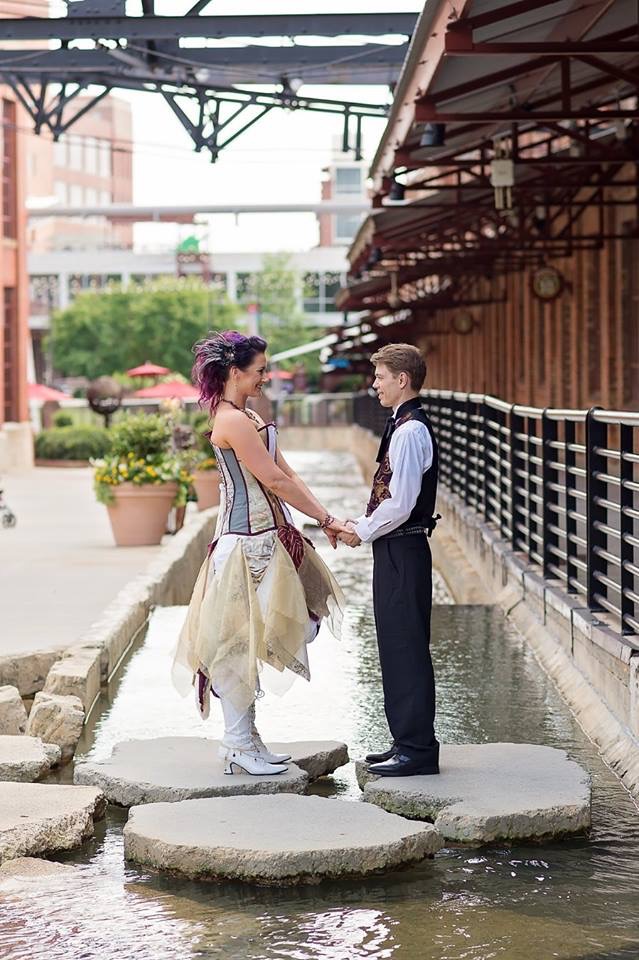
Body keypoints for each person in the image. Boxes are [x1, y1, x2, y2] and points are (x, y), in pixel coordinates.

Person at [172, 331, 347, 776]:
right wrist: (325, 521)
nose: (265, 377)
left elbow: (287, 473)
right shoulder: (230, 420)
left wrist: (322, 517)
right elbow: (273, 480)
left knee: (293, 625)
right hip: (243, 544)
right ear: (235, 372)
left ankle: (247, 738)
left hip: (270, 537)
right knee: (236, 640)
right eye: (260, 370)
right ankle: (236, 743)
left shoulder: (246, 414)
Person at [339, 343, 441, 777]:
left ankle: (418, 750)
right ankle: (406, 741)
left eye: (380, 376)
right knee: (396, 645)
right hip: (396, 546)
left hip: (404, 545)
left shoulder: (411, 431)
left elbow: (401, 502)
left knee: (407, 646)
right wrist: (361, 527)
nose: (374, 383)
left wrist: (359, 530)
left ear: (402, 380)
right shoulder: (402, 426)